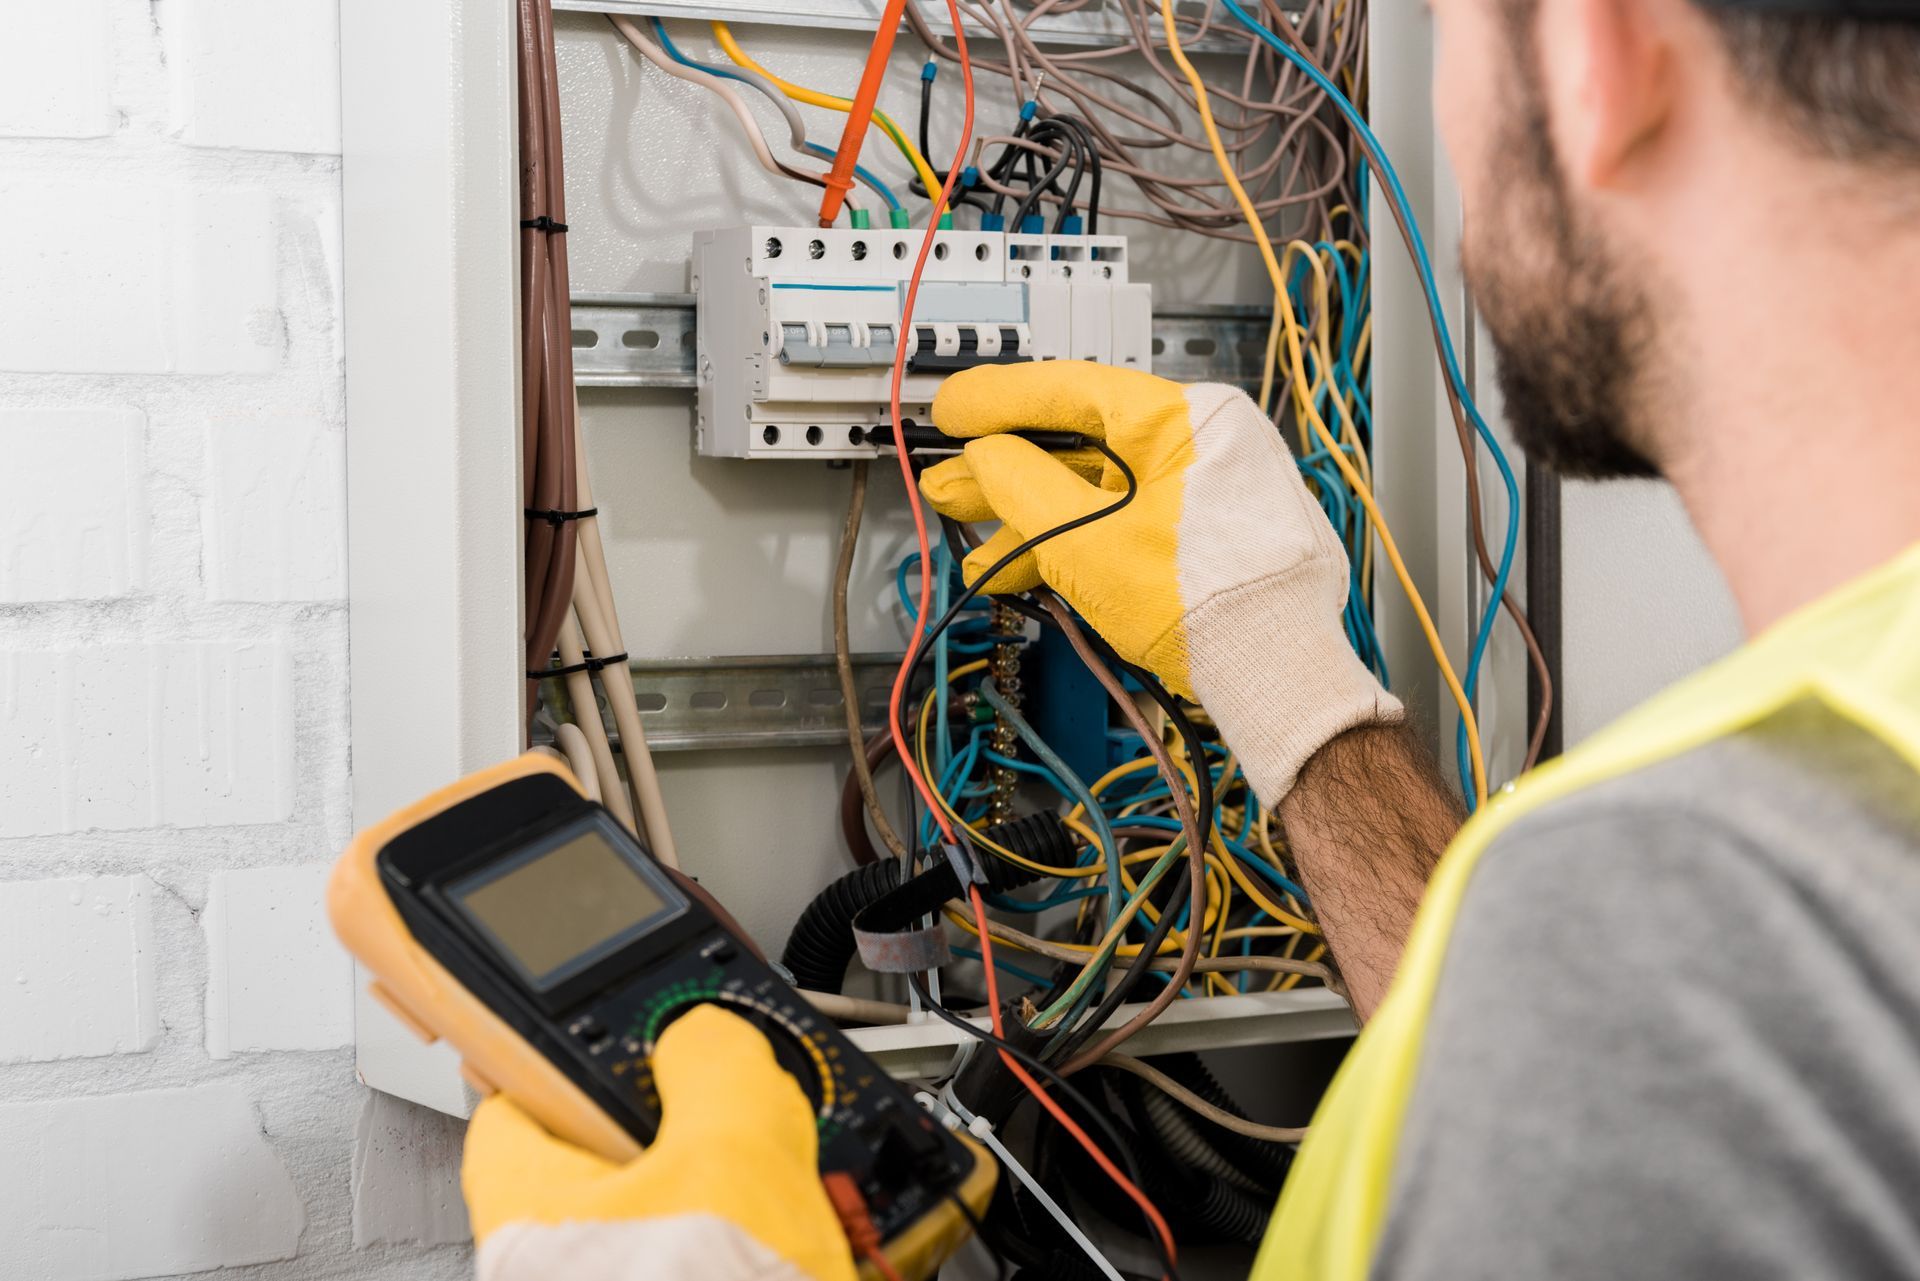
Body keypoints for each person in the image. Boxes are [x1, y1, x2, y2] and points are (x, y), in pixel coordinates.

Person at [460, 0, 1920, 1275]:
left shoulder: (1696, 912)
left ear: (1602, 49)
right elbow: (1531, 1082)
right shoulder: (1769, 868)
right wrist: (1281, 662)